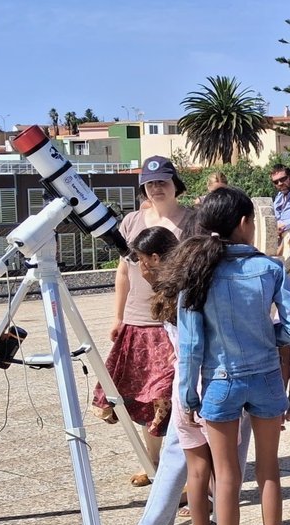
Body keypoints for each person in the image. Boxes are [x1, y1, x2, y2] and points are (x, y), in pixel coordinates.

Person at [174, 187, 290, 525]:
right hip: (265, 375)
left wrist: (188, 394)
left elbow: (190, 345)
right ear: (246, 223)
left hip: (220, 380)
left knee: (225, 477)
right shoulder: (270, 268)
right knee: (269, 472)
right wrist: (272, 338)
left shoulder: (195, 272)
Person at [102, 228, 250, 525]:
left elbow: (191, 341)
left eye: (140, 261)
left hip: (200, 379)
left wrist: (183, 382)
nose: (139, 268)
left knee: (195, 459)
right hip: (223, 376)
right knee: (224, 460)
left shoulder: (179, 288)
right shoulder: (192, 281)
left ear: (155, 259)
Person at [93, 155, 194, 487]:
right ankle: (151, 461)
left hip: (173, 319)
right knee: (141, 397)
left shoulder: (191, 221)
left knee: (167, 396)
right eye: (150, 184)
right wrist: (117, 316)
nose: (156, 188)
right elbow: (123, 271)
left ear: (174, 183)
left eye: (162, 182)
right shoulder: (131, 221)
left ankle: (176, 466)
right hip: (137, 320)